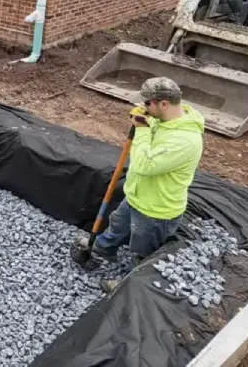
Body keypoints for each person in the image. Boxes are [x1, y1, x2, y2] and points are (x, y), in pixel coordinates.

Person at [81, 76, 204, 287]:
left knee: (140, 250)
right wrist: (145, 116)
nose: (142, 107)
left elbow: (144, 166)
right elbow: (150, 121)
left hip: (156, 210)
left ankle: (128, 284)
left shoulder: (185, 141)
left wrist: (142, 129)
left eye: (147, 103)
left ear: (164, 103)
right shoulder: (164, 118)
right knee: (117, 225)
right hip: (137, 196)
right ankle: (103, 247)